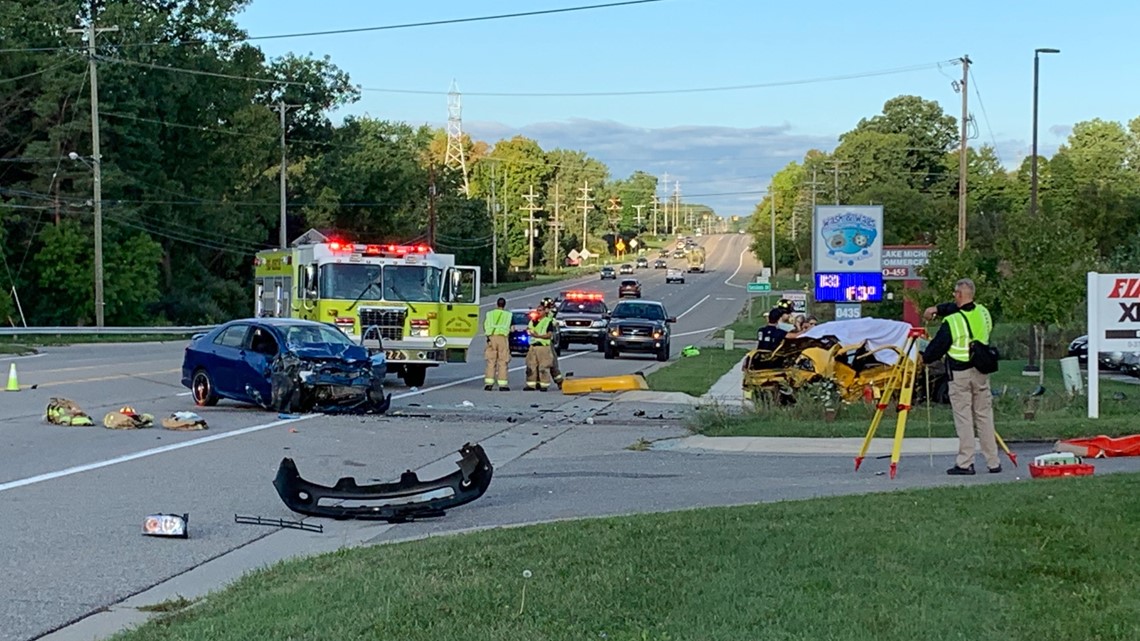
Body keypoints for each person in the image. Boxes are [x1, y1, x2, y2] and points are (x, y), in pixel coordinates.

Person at [921, 278, 1000, 475]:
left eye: (955, 293)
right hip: (981, 371)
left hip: (960, 374)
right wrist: (937, 309)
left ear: (959, 295)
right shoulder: (983, 312)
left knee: (964, 418)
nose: (953, 297)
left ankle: (965, 462)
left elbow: (934, 351)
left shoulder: (952, 322)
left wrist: (923, 357)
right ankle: (993, 462)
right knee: (984, 416)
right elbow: (960, 310)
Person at [482, 297, 512, 391]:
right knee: (503, 361)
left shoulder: (489, 314)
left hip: (491, 338)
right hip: (502, 338)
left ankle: (489, 384)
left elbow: (485, 325)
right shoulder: (508, 315)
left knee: (491, 361)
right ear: (504, 304)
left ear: (497, 304)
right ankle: (502, 385)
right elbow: (512, 328)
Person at [525, 305, 555, 391]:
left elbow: (549, 335)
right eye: (537, 310)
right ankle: (531, 385)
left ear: (544, 312)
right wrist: (529, 331)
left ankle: (544, 385)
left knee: (544, 367)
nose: (538, 312)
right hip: (533, 347)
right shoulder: (532, 321)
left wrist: (538, 336)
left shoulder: (548, 321)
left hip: (543, 347)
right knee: (531, 366)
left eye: (540, 310)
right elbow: (528, 330)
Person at [541, 297, 565, 387]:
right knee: (551, 362)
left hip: (541, 342)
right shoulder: (548, 317)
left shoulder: (547, 315)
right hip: (545, 342)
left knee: (547, 363)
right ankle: (558, 381)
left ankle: (558, 381)